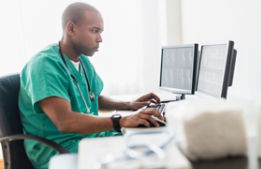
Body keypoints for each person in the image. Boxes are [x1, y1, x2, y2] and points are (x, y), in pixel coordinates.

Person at [18, 2, 164, 169]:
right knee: (143, 161)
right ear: (71, 28)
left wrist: (129, 106)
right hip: (59, 149)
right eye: (94, 31)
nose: (100, 39)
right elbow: (65, 122)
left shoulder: (82, 61)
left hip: (88, 137)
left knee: (151, 142)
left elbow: (93, 97)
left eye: (100, 32)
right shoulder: (44, 65)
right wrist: (120, 121)